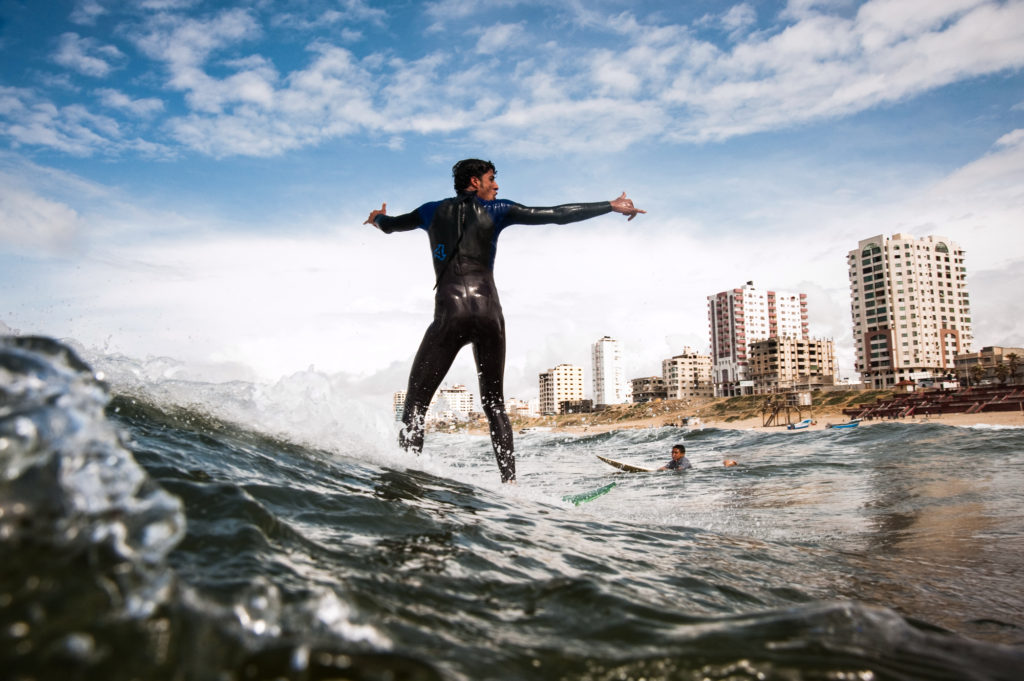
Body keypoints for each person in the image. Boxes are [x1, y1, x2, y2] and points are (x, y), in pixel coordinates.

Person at [365, 159, 644, 483]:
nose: (496, 186)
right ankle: (510, 485)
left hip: (450, 314)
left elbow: (391, 225)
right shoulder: (498, 210)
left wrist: (377, 218)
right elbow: (555, 215)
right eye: (491, 179)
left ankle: (407, 477)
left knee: (415, 405)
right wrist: (610, 205)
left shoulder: (430, 211)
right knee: (494, 403)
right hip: (489, 315)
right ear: (474, 182)